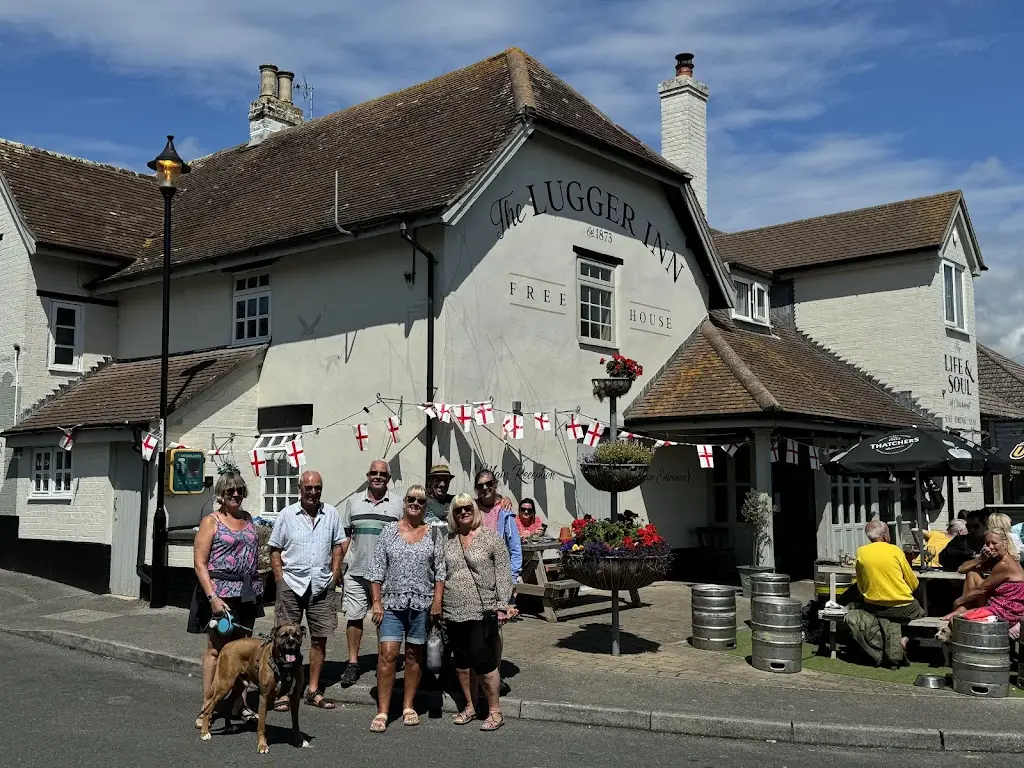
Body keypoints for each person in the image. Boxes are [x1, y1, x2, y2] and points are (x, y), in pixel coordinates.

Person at [188, 467, 264, 728]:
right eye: (230, 490)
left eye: (240, 490)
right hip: (220, 594)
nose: (236, 494)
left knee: (243, 651)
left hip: (247, 593)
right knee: (215, 650)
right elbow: (200, 564)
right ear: (221, 494)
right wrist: (213, 598)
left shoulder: (249, 518)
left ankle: (238, 704)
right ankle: (207, 705)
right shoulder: (212, 521)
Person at [367, 485, 446, 732]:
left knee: (414, 655)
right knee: (388, 654)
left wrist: (437, 601)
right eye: (411, 499)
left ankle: (408, 706)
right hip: (391, 604)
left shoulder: (434, 533)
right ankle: (382, 711)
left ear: (425, 506)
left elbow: (440, 572)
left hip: (421, 605)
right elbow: (376, 569)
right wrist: (376, 601)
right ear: (404, 502)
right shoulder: (390, 531)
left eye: (421, 501)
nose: (415, 504)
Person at [269, 469, 345, 710]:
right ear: (299, 489)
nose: (313, 492)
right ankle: (285, 691)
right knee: (284, 642)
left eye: (317, 488)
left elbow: (337, 546)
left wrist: (334, 575)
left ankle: (313, 690)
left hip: (321, 586)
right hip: (291, 584)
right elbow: (275, 550)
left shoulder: (331, 513)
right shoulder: (286, 515)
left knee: (319, 640)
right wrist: (280, 580)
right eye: (308, 488)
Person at [443, 494, 514, 731]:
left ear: (474, 510)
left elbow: (504, 573)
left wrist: (503, 604)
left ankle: (495, 711)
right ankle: (470, 706)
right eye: (458, 510)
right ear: (453, 515)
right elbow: (441, 574)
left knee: (482, 659)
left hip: (482, 609)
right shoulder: (448, 540)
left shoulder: (490, 538)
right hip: (452, 609)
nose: (463, 512)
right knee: (462, 662)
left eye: (467, 508)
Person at [338, 459, 403, 688]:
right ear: (367, 475)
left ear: (388, 478)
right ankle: (353, 662)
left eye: (382, 474)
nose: (378, 477)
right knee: (354, 618)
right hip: (356, 571)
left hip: (386, 575)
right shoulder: (353, 502)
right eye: (374, 473)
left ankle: (382, 663)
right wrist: (339, 566)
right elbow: (346, 536)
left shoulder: (398, 504)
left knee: (382, 620)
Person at [844, 520, 924, 667]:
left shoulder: (861, 552)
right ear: (885, 535)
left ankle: (887, 644)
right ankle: (905, 639)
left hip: (875, 606)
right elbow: (913, 583)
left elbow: (861, 585)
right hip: (902, 606)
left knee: (885, 616)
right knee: (921, 611)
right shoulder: (895, 550)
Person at [474, 469, 522, 692]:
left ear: (495, 485)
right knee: (474, 627)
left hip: (498, 579)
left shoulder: (505, 513)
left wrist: (510, 579)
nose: (485, 488)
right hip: (474, 578)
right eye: (481, 485)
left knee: (494, 628)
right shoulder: (471, 508)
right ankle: (478, 675)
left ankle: (495, 672)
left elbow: (515, 549)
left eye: (489, 484)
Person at [943, 528, 1024, 636]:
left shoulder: (1005, 564)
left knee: (955, 620)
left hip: (1006, 611)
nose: (990, 547)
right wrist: (980, 559)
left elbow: (981, 589)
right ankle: (965, 609)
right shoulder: (997, 559)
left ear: (1005, 544)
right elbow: (961, 569)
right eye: (987, 543)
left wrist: (958, 602)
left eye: (994, 543)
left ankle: (966, 646)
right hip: (996, 604)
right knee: (972, 573)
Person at [425, 464, 456, 536]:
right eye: (438, 480)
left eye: (446, 480)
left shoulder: (455, 501)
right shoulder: (420, 502)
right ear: (430, 482)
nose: (442, 484)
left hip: (449, 544)